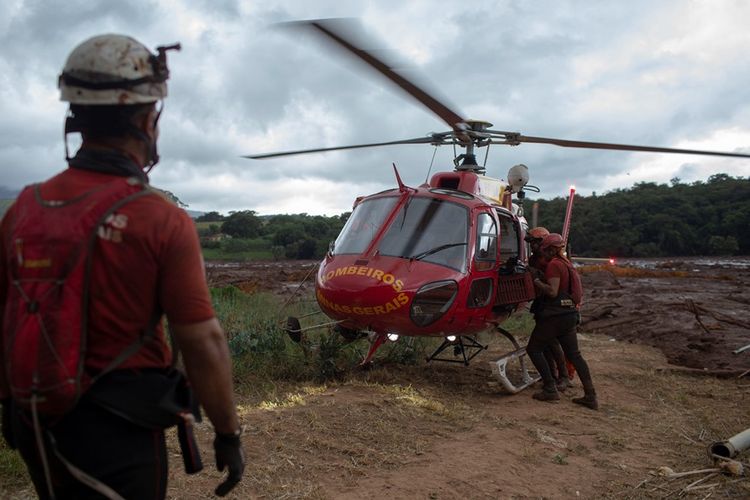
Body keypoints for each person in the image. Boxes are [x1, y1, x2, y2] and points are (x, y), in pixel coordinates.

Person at [0, 34, 245, 498]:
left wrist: (10, 403)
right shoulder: (160, 219)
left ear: (75, 115)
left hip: (34, 418)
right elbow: (202, 340)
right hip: (118, 431)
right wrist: (228, 432)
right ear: (147, 117)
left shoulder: (23, 209)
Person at [527, 233, 598, 410]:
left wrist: (535, 280)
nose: (543, 252)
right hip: (570, 315)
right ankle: (590, 395)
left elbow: (552, 291)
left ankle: (550, 388)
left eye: (545, 249)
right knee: (575, 355)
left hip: (554, 316)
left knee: (534, 349)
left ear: (551, 249)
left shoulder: (554, 265)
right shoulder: (567, 264)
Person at [525, 227, 571, 391]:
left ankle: (563, 377)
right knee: (545, 343)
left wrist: (536, 276)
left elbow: (554, 286)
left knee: (552, 342)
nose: (532, 247)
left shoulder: (553, 262)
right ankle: (551, 375)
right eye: (531, 243)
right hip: (542, 302)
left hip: (555, 305)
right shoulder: (533, 260)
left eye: (535, 243)